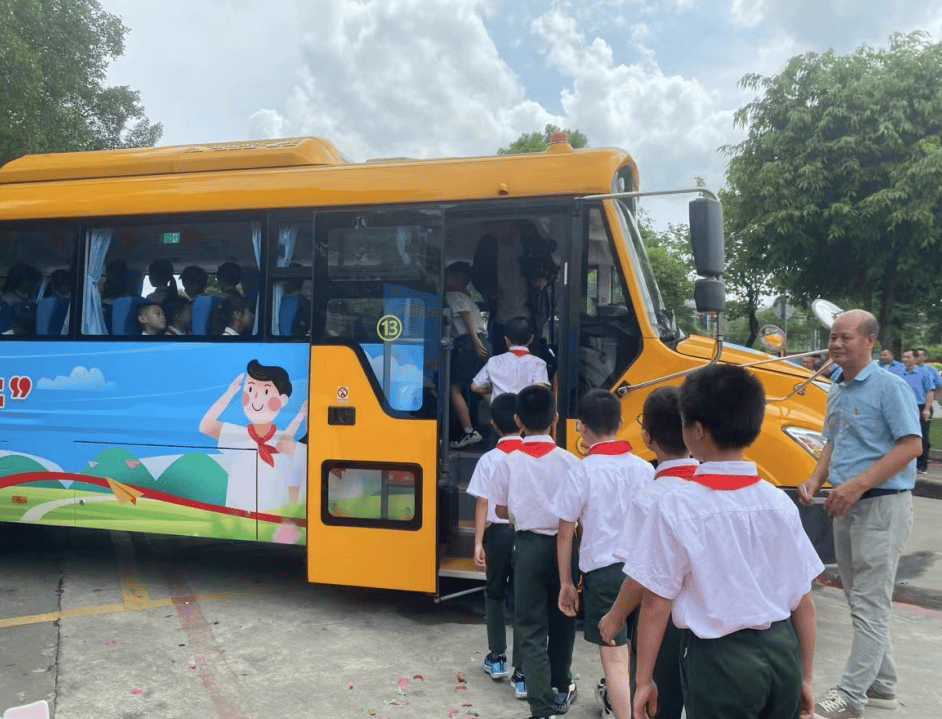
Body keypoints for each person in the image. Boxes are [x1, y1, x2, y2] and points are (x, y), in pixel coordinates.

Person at [624, 364, 822, 719]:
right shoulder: (778, 502)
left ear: (696, 431)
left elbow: (656, 604)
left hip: (720, 663)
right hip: (783, 654)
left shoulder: (676, 505)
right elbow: (803, 601)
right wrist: (805, 677)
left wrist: (644, 681)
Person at [799, 310, 922, 719]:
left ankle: (851, 696)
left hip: (880, 506)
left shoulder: (891, 387)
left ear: (869, 340)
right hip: (843, 506)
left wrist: (856, 485)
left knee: (869, 603)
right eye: (832, 337)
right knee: (859, 599)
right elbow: (831, 443)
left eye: (845, 337)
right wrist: (817, 479)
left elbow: (910, 447)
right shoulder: (837, 388)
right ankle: (883, 683)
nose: (835, 344)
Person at [550, 389, 654, 719]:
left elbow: (565, 531)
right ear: (621, 423)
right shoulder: (644, 469)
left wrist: (567, 581)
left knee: (614, 655)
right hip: (644, 570)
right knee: (641, 650)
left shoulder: (582, 471)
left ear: (581, 427)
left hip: (604, 575)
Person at [600, 385, 697, 719]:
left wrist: (614, 618)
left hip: (665, 628)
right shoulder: (712, 486)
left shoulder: (650, 498)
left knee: (657, 705)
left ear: (646, 436)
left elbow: (642, 578)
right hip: (713, 627)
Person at [488, 385, 580, 719]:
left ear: (517, 420)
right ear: (556, 418)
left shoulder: (508, 462)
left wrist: (519, 513)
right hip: (565, 547)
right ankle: (561, 685)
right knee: (564, 617)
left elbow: (499, 510)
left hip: (526, 547)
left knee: (529, 628)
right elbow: (579, 513)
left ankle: (540, 709)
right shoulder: (571, 462)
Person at [464, 393, 523, 688]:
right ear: (520, 422)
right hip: (528, 536)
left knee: (495, 594)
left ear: (493, 425)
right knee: (526, 599)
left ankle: (497, 657)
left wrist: (477, 543)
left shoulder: (489, 459)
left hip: (497, 534)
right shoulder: (535, 456)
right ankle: (523, 673)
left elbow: (482, 503)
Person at [199, 359, 307, 512]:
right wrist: (230, 393)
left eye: (266, 392)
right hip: (237, 521)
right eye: (250, 390)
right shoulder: (238, 434)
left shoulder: (284, 439)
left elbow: (293, 481)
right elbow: (206, 426)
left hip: (272, 520)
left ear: (282, 400)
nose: (256, 398)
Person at [472, 219, 557, 354]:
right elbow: (477, 275)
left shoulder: (530, 242)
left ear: (512, 223)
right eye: (490, 225)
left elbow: (552, 270)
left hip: (530, 316)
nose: (493, 228)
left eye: (497, 223)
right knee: (500, 356)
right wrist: (488, 292)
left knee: (530, 358)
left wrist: (544, 281)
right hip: (500, 316)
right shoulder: (488, 245)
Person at [444, 261, 490, 449]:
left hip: (468, 344)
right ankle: (507, 425)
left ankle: (469, 431)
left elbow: (466, 317)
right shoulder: (468, 297)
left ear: (456, 278)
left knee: (453, 389)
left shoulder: (454, 295)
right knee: (481, 386)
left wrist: (474, 341)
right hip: (482, 342)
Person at [471, 316, 548, 403]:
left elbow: (475, 386)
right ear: (531, 339)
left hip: (500, 412)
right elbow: (540, 389)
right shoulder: (538, 363)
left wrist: (492, 391)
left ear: (506, 339)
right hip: (525, 413)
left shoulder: (494, 361)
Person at [899, 349, 934, 474]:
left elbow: (930, 391)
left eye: (908, 357)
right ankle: (906, 462)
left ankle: (922, 465)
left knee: (921, 436)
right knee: (904, 435)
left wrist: (927, 409)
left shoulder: (924, 373)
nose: (905, 359)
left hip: (919, 406)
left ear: (915, 358)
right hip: (904, 407)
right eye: (904, 357)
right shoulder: (900, 373)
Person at [915, 348, 940, 471]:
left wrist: (930, 402)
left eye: (919, 355)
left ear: (924, 357)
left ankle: (922, 463)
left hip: (923, 405)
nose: (917, 358)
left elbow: (937, 386)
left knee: (923, 434)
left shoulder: (930, 370)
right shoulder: (906, 370)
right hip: (911, 406)